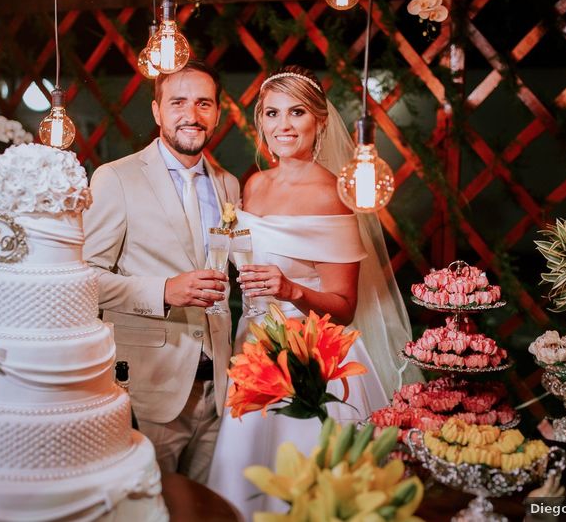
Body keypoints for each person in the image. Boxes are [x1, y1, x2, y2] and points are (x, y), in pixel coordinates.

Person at [206, 65, 418, 517]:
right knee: (245, 478)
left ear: (320, 121)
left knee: (304, 484)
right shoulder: (254, 185)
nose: (283, 126)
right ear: (260, 121)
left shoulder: (332, 194)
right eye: (271, 113)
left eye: (296, 113)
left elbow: (344, 306)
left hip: (311, 354)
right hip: (253, 347)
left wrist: (290, 289)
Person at [82, 59, 240, 484]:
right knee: (149, 506)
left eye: (204, 103)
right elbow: (83, 280)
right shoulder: (116, 178)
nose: (192, 114)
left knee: (207, 509)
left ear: (218, 112)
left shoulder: (229, 185)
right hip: (153, 387)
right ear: (156, 112)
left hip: (219, 386)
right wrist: (163, 290)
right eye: (178, 102)